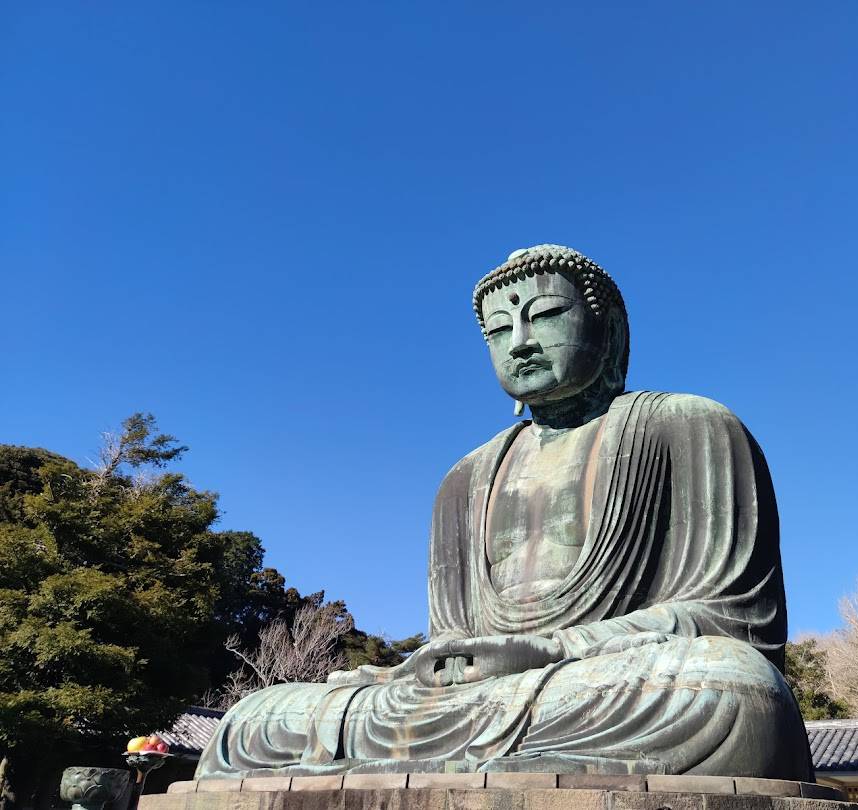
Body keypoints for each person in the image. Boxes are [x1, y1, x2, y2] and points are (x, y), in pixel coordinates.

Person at [196, 245, 812, 779]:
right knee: (254, 721)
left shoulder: (691, 426)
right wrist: (425, 671)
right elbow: (451, 640)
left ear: (609, 331)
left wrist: (553, 650)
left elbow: (734, 621)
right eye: (497, 330)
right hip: (483, 696)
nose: (520, 342)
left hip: (601, 677)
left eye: (544, 316)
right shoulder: (463, 479)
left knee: (734, 690)